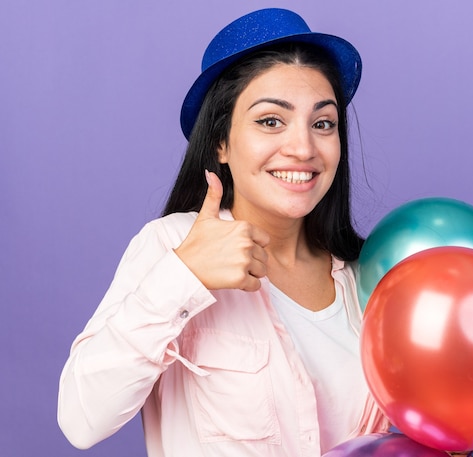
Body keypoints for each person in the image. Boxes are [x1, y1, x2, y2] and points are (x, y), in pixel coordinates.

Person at [57, 7, 390, 457]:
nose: (303, 148)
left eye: (322, 123)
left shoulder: (365, 277)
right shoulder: (170, 246)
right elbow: (81, 420)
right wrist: (183, 276)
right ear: (220, 143)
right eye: (271, 120)